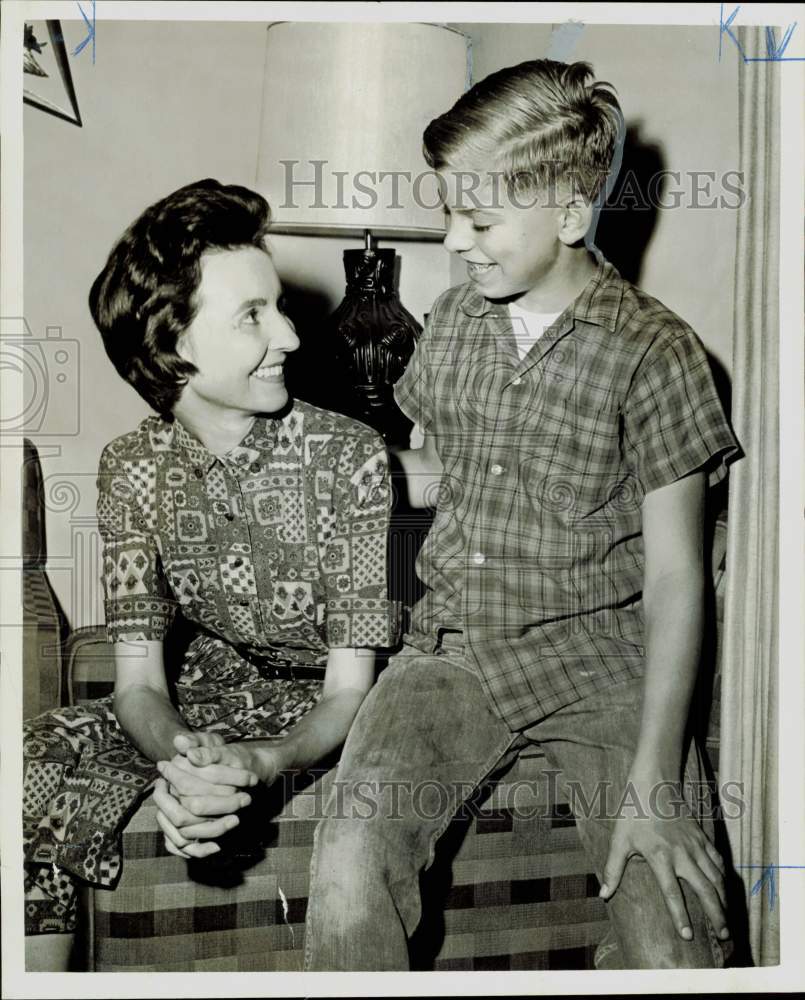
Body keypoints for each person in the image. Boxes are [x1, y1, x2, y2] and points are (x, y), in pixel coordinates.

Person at [303, 59, 742, 970]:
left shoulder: (656, 355)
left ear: (571, 214)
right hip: (450, 649)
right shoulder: (455, 318)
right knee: (349, 862)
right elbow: (433, 464)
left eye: (480, 218)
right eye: (447, 212)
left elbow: (673, 578)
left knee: (678, 935)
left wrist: (654, 775)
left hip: (601, 663)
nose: (455, 239)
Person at [23, 179, 397, 970]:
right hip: (211, 695)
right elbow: (136, 685)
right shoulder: (128, 468)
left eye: (280, 308)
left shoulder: (351, 457)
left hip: (332, 707)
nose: (291, 338)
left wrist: (260, 763)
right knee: (28, 755)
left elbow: (349, 692)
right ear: (172, 345)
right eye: (253, 316)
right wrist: (183, 755)